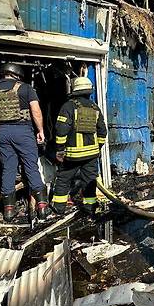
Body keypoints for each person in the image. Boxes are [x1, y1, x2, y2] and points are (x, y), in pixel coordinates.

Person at [0, 63, 48, 221]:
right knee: (31, 167)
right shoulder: (26, 89)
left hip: (3, 133)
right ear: (18, 74)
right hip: (23, 131)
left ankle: (9, 210)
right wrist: (40, 130)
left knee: (8, 169)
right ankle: (42, 207)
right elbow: (36, 111)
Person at [52, 76, 107, 215]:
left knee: (64, 178)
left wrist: (59, 150)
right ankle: (90, 207)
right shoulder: (95, 108)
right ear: (89, 91)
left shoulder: (68, 106)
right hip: (91, 154)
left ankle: (59, 207)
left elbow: (61, 130)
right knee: (89, 180)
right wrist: (97, 148)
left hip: (72, 155)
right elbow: (102, 131)